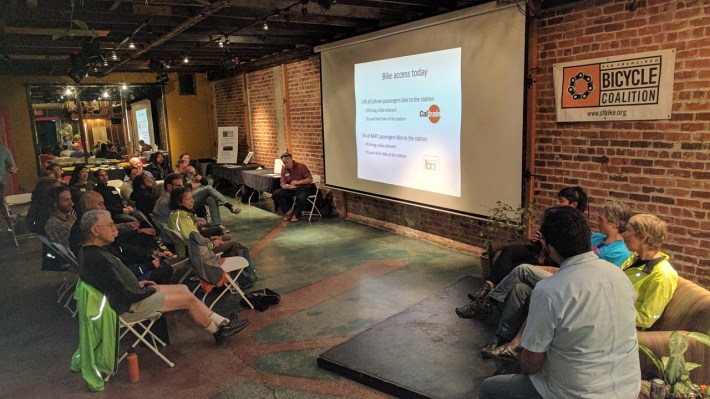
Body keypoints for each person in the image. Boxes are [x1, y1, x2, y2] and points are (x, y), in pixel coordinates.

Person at [478, 206, 640, 399]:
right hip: (629, 388)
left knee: (489, 387)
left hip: (572, 393)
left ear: (550, 247)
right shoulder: (619, 275)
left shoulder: (550, 291)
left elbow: (530, 365)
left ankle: (488, 302)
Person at [457, 201, 632, 358]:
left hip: (575, 279)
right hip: (567, 270)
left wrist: (546, 269)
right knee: (519, 288)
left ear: (615, 223)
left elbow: (591, 273)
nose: (597, 222)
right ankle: (501, 338)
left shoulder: (620, 251)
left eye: (601, 219)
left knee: (523, 269)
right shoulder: (596, 237)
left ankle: (487, 302)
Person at [78, 209, 249, 343]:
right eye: (110, 226)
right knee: (187, 300)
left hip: (133, 294)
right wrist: (147, 290)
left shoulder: (92, 252)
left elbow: (116, 283)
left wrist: (141, 284)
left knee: (183, 288)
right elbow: (122, 293)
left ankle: (223, 323)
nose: (115, 229)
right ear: (95, 230)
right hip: (128, 306)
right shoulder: (98, 259)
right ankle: (218, 331)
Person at [465, 186, 589, 303]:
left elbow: (562, 252)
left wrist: (546, 242)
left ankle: (490, 299)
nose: (556, 203)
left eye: (561, 201)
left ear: (573, 205)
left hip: (550, 259)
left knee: (516, 266)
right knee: (509, 251)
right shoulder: (557, 216)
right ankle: (488, 286)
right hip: (539, 249)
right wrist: (538, 237)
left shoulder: (576, 226)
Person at [168, 187, 256, 287]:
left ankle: (233, 275)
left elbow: (194, 237)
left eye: (191, 197)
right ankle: (243, 279)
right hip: (196, 253)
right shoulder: (182, 218)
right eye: (188, 199)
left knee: (226, 239)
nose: (192, 200)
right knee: (234, 245)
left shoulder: (176, 214)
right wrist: (212, 243)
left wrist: (210, 239)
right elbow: (194, 241)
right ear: (179, 202)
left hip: (192, 249)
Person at [621, 213, 678, 330]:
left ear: (644, 238)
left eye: (628, 230)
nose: (623, 234)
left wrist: (609, 314)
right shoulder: (634, 259)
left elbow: (646, 319)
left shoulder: (662, 275)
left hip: (625, 329)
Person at [272, 152, 315, 222]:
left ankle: (297, 215)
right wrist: (285, 186)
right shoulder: (284, 169)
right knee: (277, 193)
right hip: (292, 189)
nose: (286, 165)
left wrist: (299, 182)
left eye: (287, 162)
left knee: (300, 198)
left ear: (292, 160)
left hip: (304, 188)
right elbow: (282, 182)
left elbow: (310, 179)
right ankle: (288, 211)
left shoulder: (301, 166)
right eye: (284, 163)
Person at [0, 140, 18, 206]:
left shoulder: (4, 150)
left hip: (0, 182)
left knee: (1, 204)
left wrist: (12, 169)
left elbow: (12, 166)